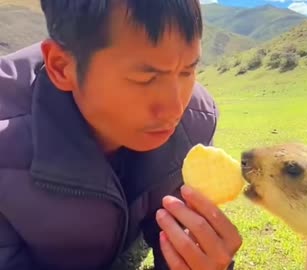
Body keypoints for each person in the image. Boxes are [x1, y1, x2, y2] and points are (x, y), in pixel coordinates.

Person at [0, 0, 243, 269]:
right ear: (61, 67)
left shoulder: (196, 118)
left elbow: (175, 234)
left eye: (187, 71)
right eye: (145, 79)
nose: (175, 108)